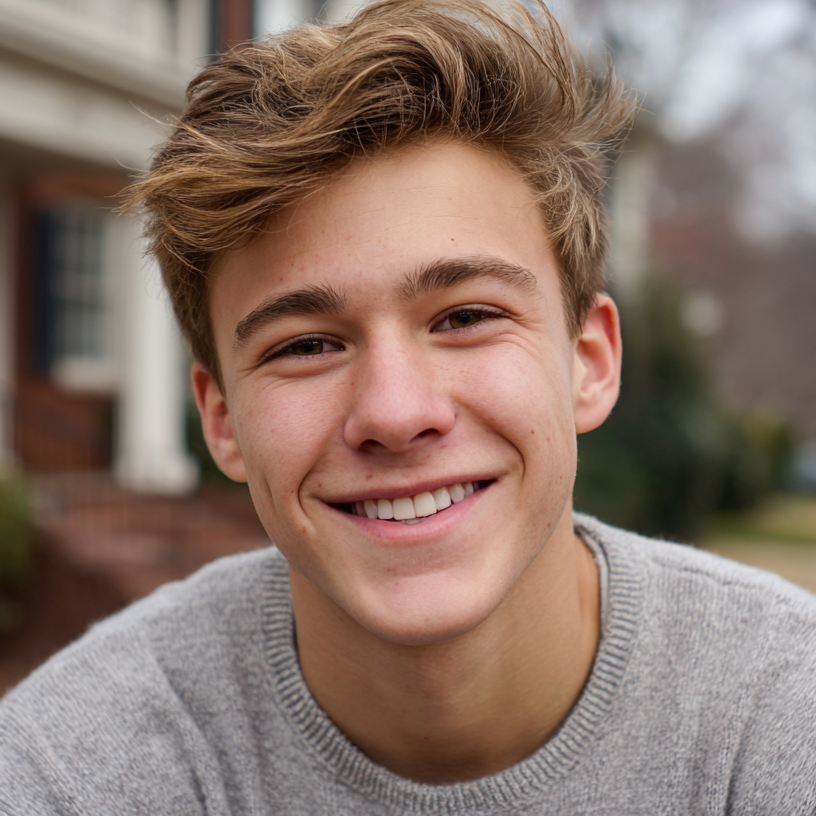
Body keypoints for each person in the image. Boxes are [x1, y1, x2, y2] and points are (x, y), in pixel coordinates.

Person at [2, 1, 816, 812]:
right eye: (305, 345)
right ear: (223, 422)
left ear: (589, 363)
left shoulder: (780, 718)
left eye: (464, 318)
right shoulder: (73, 769)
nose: (394, 413)